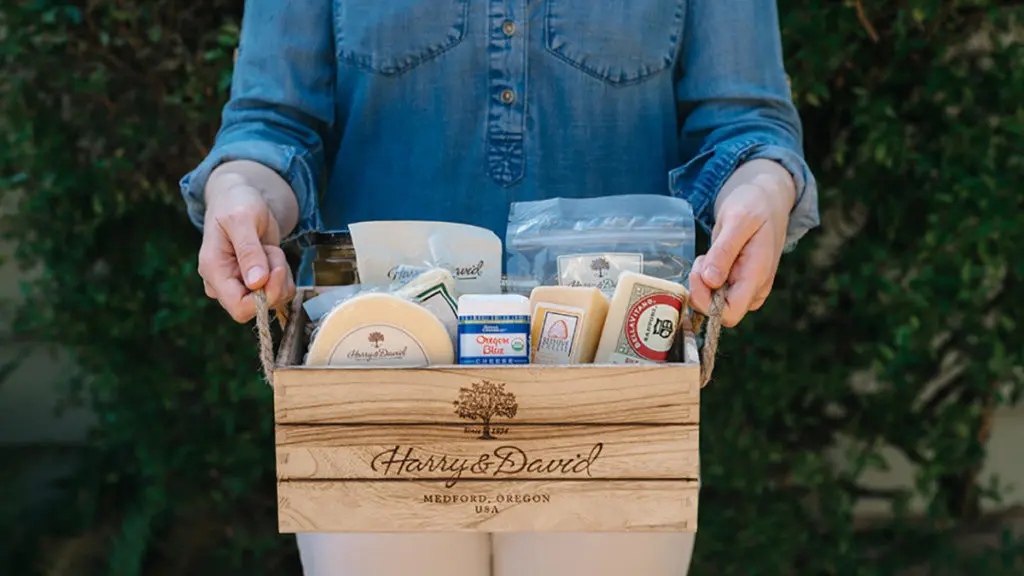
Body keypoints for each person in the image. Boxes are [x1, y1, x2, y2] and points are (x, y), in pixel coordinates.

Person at [181, 1, 820, 574]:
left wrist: (760, 191)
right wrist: (240, 192)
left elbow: (744, 122)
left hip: (615, 399)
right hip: (369, 387)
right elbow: (271, 122)